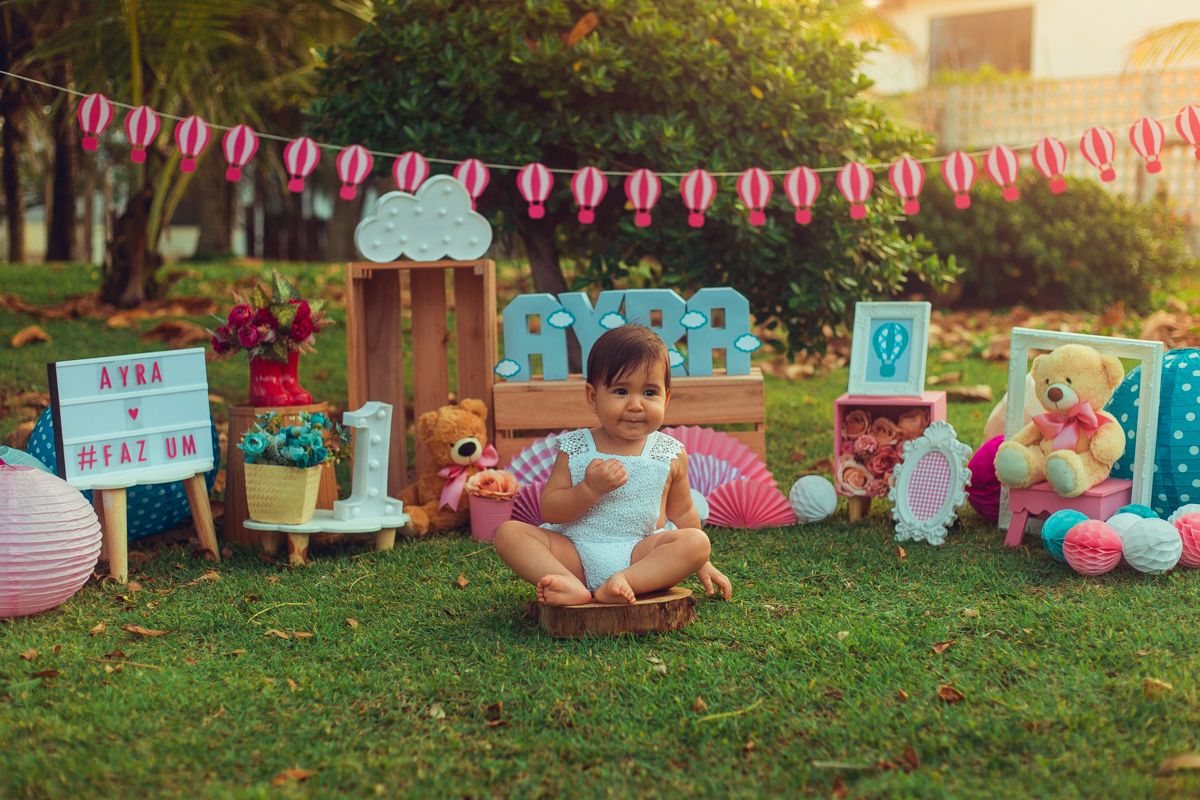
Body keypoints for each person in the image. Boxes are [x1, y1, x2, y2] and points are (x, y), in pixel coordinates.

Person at [494, 324, 733, 607]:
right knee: (508, 533)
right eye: (621, 391)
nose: (635, 405)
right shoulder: (577, 448)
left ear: (666, 398)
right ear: (593, 397)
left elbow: (682, 512)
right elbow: (551, 510)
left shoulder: (670, 453)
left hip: (640, 554)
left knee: (696, 542)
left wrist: (701, 563)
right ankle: (568, 582)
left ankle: (624, 582)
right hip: (574, 553)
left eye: (650, 393)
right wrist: (589, 489)